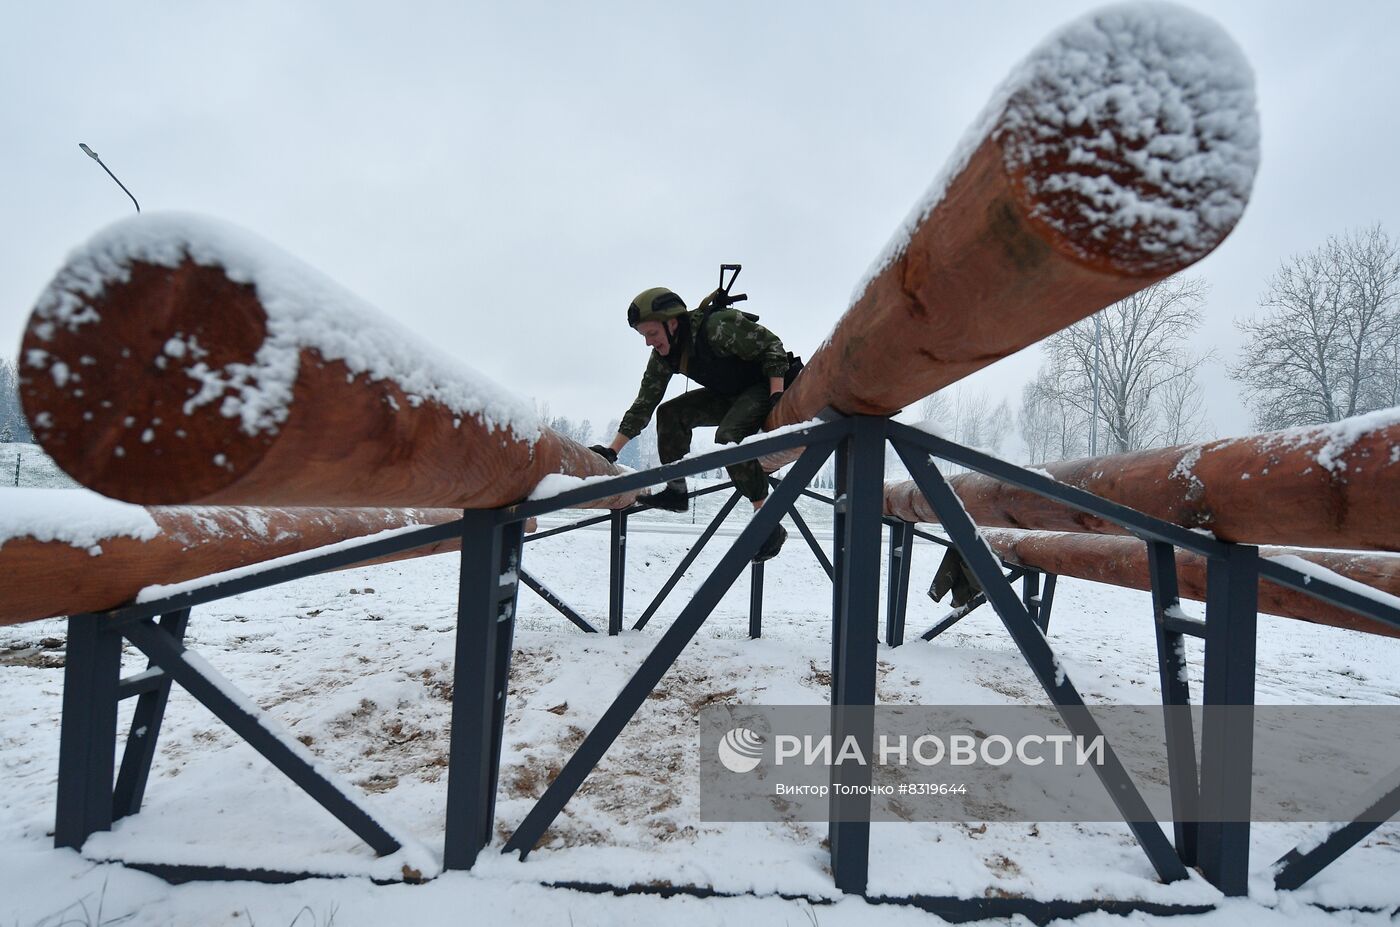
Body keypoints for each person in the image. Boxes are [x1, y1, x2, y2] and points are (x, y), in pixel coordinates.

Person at [589, 285, 799, 563]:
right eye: (643, 336)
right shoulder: (665, 357)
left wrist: (776, 396)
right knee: (670, 414)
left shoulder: (716, 327)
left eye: (652, 333)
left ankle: (768, 520)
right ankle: (676, 491)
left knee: (728, 437)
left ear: (672, 323)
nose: (649, 342)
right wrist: (612, 450)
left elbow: (773, 348)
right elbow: (645, 403)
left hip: (762, 385)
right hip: (729, 395)